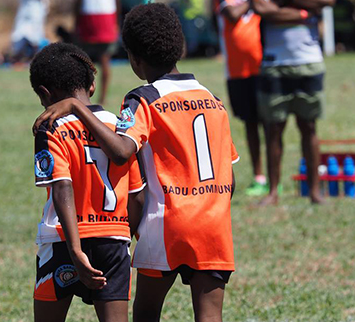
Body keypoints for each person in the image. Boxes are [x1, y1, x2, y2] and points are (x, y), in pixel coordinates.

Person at [33, 4, 239, 321]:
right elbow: (231, 177)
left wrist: (77, 107)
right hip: (214, 225)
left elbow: (121, 151)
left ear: (133, 59)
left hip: (167, 221)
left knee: (145, 313)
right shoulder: (214, 100)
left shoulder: (144, 98)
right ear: (180, 47)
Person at [30, 43, 145, 322]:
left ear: (45, 94)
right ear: (92, 86)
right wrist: (127, 240)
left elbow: (61, 186)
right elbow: (137, 196)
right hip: (114, 239)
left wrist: (75, 249)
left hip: (62, 241)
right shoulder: (121, 129)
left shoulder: (51, 126)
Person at [252, 0, 335, 205]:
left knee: (309, 126)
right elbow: (261, 8)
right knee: (274, 129)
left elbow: (327, 2)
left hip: (309, 62)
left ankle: (314, 192)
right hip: (274, 63)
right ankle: (273, 192)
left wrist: (279, 5)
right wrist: (305, 13)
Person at [215, 0, 267, 196]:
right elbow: (233, 14)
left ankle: (272, 176)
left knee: (271, 125)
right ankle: (259, 177)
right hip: (237, 73)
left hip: (263, 70)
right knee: (250, 124)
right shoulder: (225, 2)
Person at [75, 0, 120, 105]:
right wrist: (117, 21)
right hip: (106, 18)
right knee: (104, 61)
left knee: (83, 62)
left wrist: (76, 22)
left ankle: (82, 97)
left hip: (89, 17)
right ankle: (102, 98)